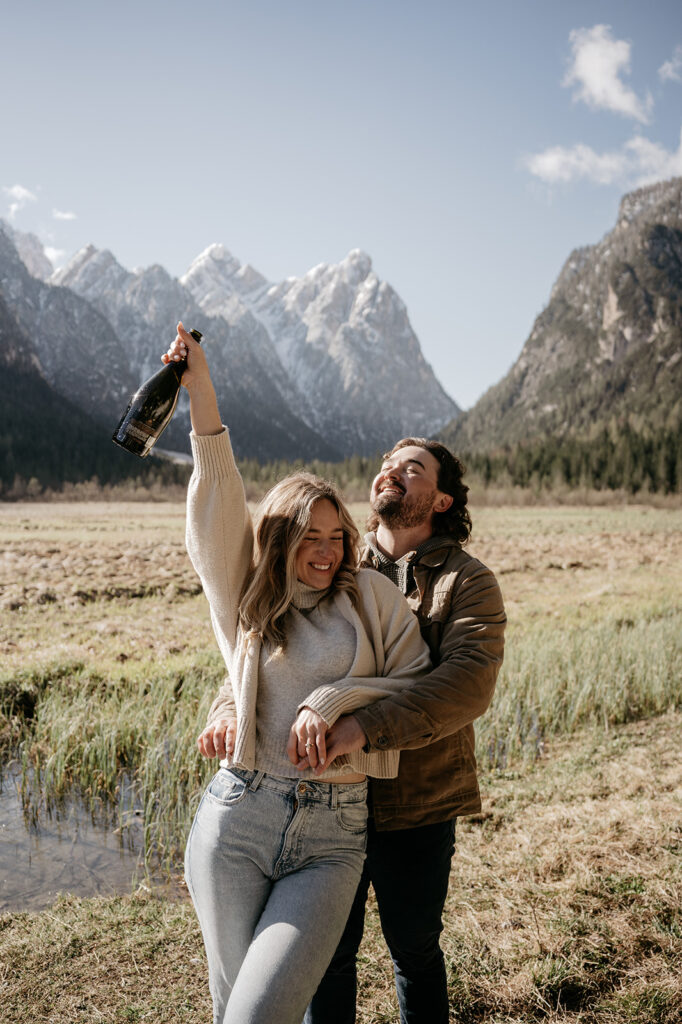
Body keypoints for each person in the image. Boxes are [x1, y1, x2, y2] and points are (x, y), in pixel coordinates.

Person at [164, 323, 432, 1024]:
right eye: (307, 537)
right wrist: (202, 388)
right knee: (233, 1010)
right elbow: (218, 494)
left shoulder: (368, 598)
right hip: (237, 820)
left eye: (334, 535)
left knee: (259, 1014)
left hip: (334, 837)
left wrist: (335, 701)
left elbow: (416, 679)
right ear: (280, 540)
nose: (323, 550)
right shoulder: (248, 595)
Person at [302, 437, 507, 1024]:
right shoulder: (333, 565)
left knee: (414, 952)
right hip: (333, 797)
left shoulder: (468, 582)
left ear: (440, 500)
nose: (392, 471)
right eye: (388, 464)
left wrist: (365, 726)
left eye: (412, 468)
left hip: (420, 804)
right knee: (328, 955)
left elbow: (467, 685)